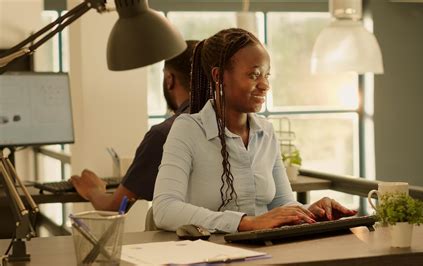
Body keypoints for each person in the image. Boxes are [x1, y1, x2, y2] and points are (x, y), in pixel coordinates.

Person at [152, 29, 356, 233]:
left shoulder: (265, 131)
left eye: (266, 75)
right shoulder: (188, 129)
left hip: (265, 252)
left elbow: (282, 203)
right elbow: (164, 210)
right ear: (218, 76)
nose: (265, 85)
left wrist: (310, 213)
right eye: (254, 75)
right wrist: (245, 223)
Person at [69, 40, 199, 211]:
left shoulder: (165, 134)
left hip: (182, 234)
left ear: (170, 80)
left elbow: (115, 208)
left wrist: (94, 190)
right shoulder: (231, 124)